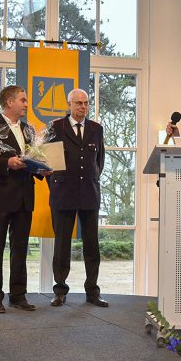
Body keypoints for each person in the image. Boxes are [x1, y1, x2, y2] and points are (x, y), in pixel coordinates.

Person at [0, 85, 48, 313]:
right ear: (9, 102)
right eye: (23, 100)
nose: (27, 104)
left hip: (24, 196)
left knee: (20, 248)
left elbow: (33, 159)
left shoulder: (29, 130)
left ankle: (18, 295)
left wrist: (41, 170)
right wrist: (6, 163)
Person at [47, 88, 108, 308]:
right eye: (78, 103)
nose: (83, 107)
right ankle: (60, 291)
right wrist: (57, 184)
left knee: (92, 245)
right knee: (62, 245)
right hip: (63, 193)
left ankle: (92, 291)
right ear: (69, 105)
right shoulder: (56, 127)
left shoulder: (96, 129)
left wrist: (89, 180)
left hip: (89, 193)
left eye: (86, 103)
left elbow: (99, 161)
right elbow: (48, 162)